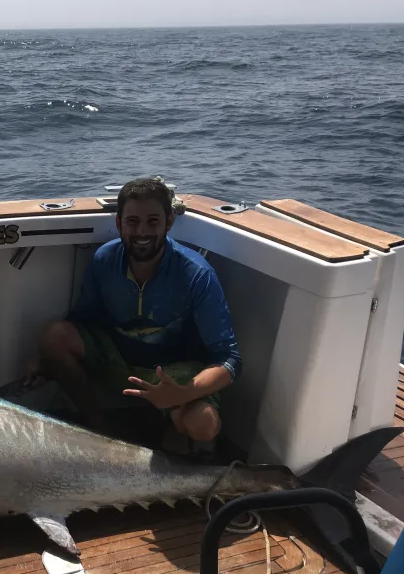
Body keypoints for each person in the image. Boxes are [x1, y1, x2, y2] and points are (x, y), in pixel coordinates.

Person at [24, 177, 241, 454]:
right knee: (54, 336)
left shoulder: (197, 274)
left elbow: (230, 360)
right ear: (118, 223)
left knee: (203, 424)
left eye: (152, 221)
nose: (142, 232)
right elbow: (82, 321)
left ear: (169, 222)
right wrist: (48, 363)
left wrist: (182, 393)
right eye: (132, 222)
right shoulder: (104, 260)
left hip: (174, 373)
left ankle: (174, 427)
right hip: (119, 361)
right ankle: (98, 428)